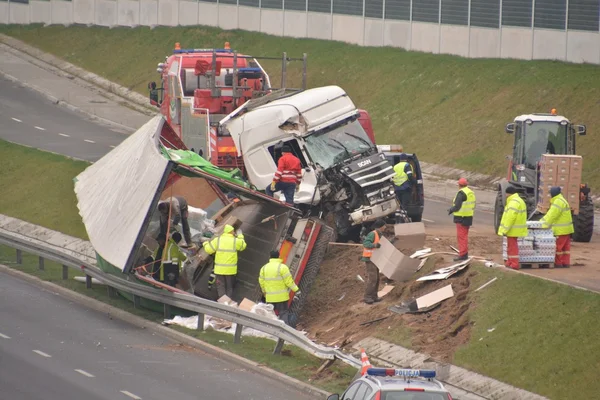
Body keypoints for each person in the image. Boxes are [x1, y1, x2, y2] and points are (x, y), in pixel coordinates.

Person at [202, 224, 247, 299]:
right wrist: (240, 236)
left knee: (220, 286)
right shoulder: (235, 241)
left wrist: (205, 243)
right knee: (229, 287)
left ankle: (222, 302)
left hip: (219, 270)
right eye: (233, 231)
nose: (234, 233)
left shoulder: (218, 240)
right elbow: (243, 246)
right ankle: (228, 303)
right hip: (230, 270)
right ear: (231, 232)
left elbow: (209, 250)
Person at [258, 250, 300, 326]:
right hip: (282, 298)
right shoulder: (283, 268)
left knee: (270, 316)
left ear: (270, 257)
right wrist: (296, 290)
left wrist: (264, 292)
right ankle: (283, 333)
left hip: (270, 298)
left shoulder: (264, 268)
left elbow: (262, 283)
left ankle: (270, 332)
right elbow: (289, 282)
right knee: (283, 315)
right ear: (279, 256)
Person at [540, 186, 574, 268]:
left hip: (560, 230)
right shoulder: (562, 200)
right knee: (566, 249)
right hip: (567, 229)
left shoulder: (558, 202)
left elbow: (552, 215)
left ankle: (558, 263)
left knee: (558, 248)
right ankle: (565, 263)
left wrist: (541, 224)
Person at [497, 186, 528, 270]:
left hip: (513, 229)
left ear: (508, 193)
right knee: (511, 246)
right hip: (517, 228)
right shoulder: (520, 201)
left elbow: (510, 218)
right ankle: (510, 262)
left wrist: (504, 229)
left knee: (512, 247)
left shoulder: (512, 203)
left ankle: (514, 263)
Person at [447, 178, 476, 261]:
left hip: (461, 218)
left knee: (461, 237)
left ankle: (463, 254)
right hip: (468, 217)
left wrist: (451, 210)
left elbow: (457, 206)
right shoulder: (471, 192)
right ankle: (464, 253)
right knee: (464, 236)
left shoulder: (461, 193)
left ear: (459, 185)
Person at [360, 219, 386, 305]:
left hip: (376, 258)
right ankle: (367, 297)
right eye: (384, 226)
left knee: (377, 278)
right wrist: (374, 245)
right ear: (380, 226)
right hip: (370, 259)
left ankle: (374, 296)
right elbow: (366, 243)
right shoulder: (372, 234)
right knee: (372, 278)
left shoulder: (380, 234)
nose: (385, 227)